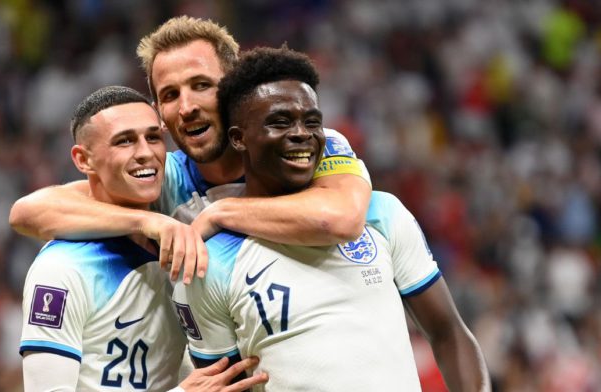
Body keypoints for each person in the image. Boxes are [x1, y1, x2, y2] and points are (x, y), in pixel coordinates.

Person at [173, 47, 491, 391]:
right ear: (238, 138)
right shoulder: (210, 262)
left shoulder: (381, 214)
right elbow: (221, 385)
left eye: (312, 121)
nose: (301, 133)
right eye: (280, 122)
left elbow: (449, 333)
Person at [8, 16, 372, 283]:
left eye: (201, 85)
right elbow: (28, 212)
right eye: (170, 95)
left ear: (234, 92)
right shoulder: (162, 180)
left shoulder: (301, 144)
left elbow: (339, 218)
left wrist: (220, 213)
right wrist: (148, 220)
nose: (187, 106)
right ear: (160, 116)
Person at [19, 86, 267, 392]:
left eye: (153, 137)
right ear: (84, 160)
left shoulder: (176, 254)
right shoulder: (61, 269)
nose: (145, 153)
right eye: (124, 141)